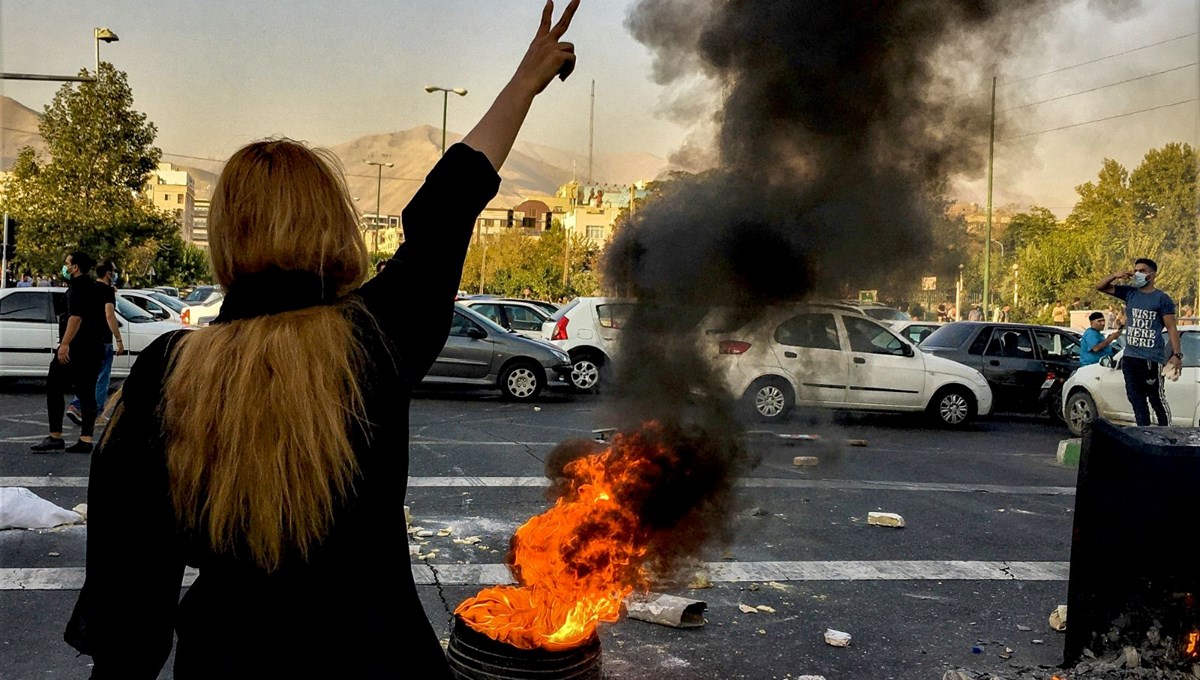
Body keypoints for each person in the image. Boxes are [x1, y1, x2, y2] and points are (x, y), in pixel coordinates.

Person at [63, 2, 579, 677]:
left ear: (225, 236)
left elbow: (130, 605)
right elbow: (446, 209)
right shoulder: (375, 338)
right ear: (332, 223)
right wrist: (524, 83)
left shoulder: (167, 371)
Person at [31, 253, 107, 454]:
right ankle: (85, 439)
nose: (64, 267)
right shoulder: (93, 286)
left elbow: (76, 318)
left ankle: (55, 436)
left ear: (75, 268)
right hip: (93, 347)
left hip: (78, 348)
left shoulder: (78, 287)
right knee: (86, 391)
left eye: (66, 263)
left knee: (54, 383)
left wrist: (64, 344)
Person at [1097, 258, 1183, 426]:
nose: (1137, 274)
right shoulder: (1130, 293)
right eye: (1135, 270)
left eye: (1142, 270)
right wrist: (1116, 275)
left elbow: (1172, 328)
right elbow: (1100, 286)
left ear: (1152, 274)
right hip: (1130, 357)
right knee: (1135, 398)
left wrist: (1176, 355)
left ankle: (1167, 432)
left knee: (1155, 397)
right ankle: (1143, 431)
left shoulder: (1161, 298)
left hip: (1151, 358)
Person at [66, 262, 124, 427]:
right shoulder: (107, 291)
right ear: (107, 273)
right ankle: (95, 412)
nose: (114, 274)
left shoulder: (90, 287)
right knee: (102, 377)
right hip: (102, 340)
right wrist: (118, 339)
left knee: (88, 376)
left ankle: (77, 405)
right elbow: (109, 315)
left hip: (87, 338)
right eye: (113, 271)